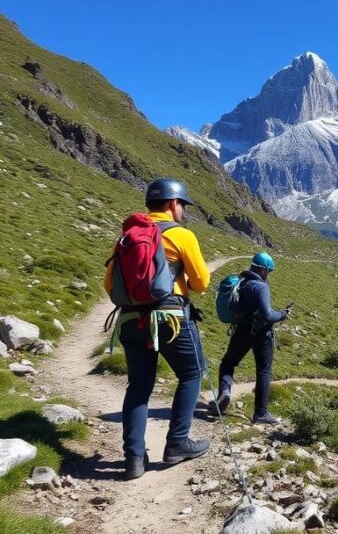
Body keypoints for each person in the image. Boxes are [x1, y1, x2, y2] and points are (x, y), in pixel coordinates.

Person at [104, 178, 212, 480]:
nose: (183, 211)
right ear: (173, 204)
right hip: (170, 318)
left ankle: (133, 459)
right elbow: (201, 283)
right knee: (191, 373)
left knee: (138, 387)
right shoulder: (181, 235)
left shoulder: (127, 238)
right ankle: (178, 443)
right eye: (182, 205)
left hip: (130, 320)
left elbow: (109, 285)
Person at [214, 251, 291, 424]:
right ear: (264, 270)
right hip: (262, 333)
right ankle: (260, 414)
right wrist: (282, 314)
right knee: (263, 370)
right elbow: (267, 315)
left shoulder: (243, 282)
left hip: (242, 330)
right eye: (269, 271)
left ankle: (224, 393)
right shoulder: (260, 286)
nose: (268, 274)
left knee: (228, 363)